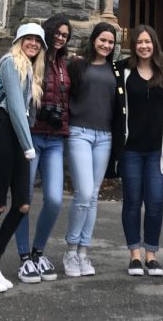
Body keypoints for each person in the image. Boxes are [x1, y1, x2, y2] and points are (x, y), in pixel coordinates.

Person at [0, 22, 46, 294]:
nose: (33, 44)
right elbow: (14, 106)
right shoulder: (9, 62)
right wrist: (29, 146)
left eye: (38, 41)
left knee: (23, 205)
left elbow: (26, 111)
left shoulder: (31, 70)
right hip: (4, 134)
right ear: (19, 41)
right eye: (28, 39)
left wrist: (25, 143)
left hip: (18, 137)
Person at [113, 24, 163, 277]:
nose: (144, 46)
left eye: (148, 42)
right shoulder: (123, 71)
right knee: (132, 202)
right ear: (134, 45)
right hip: (131, 150)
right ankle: (134, 255)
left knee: (154, 203)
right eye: (139, 42)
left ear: (155, 44)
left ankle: (151, 255)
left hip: (157, 151)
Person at [63, 21, 124, 277]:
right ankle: (70, 249)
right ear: (94, 39)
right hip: (79, 133)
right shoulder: (77, 64)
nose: (106, 45)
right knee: (84, 192)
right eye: (103, 40)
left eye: (111, 42)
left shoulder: (116, 70)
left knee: (93, 195)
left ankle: (83, 252)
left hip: (105, 137)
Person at [15, 13, 72, 283]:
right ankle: (25, 257)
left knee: (54, 199)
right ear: (47, 32)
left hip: (56, 139)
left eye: (65, 35)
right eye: (57, 33)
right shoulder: (33, 57)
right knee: (23, 199)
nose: (60, 38)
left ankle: (39, 251)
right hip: (33, 136)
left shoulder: (66, 64)